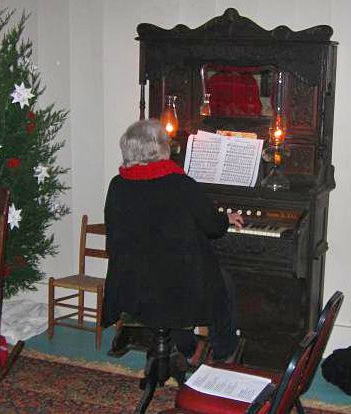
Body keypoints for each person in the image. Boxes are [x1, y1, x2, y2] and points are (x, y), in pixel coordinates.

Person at [101, 119, 244, 363]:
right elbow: (213, 226)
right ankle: (224, 352)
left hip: (131, 282)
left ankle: (188, 349)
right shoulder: (179, 184)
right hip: (174, 285)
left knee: (168, 295)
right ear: (160, 148)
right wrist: (226, 218)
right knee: (223, 284)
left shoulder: (117, 185)